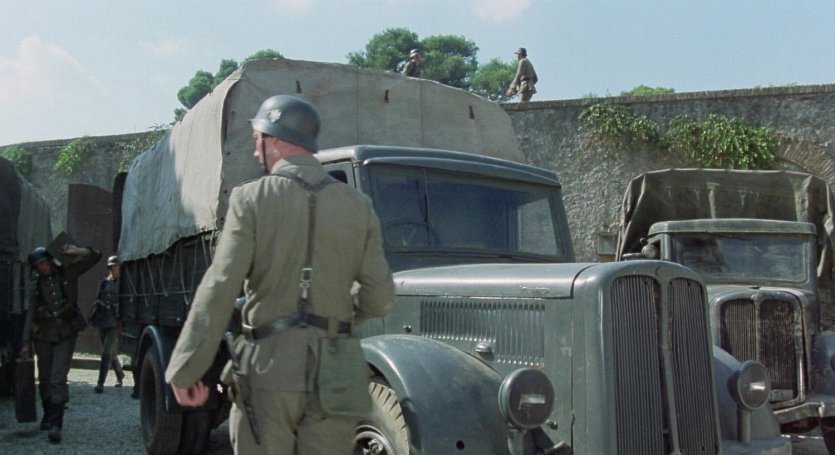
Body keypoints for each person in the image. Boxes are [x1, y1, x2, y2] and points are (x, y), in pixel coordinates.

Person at [165, 94, 394, 454]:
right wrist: (335, 316)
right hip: (338, 370)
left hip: (269, 367)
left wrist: (186, 368)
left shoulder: (251, 199)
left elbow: (220, 288)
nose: (255, 151)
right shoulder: (359, 206)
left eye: (257, 140)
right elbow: (379, 299)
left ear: (274, 140)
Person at [21, 244, 101, 443]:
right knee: (45, 378)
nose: (42, 267)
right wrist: (25, 341)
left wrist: (77, 251)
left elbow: (95, 257)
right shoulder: (36, 285)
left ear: (50, 261)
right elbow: (30, 313)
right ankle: (48, 414)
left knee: (58, 377)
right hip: (43, 335)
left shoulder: (67, 273)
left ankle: (57, 423)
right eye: (38, 265)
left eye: (44, 263)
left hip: (66, 332)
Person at [89, 255, 125, 394]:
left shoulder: (122, 284)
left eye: (118, 267)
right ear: (110, 268)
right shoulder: (104, 283)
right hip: (103, 320)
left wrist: (116, 309)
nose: (117, 269)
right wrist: (102, 304)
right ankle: (120, 374)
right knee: (110, 352)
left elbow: (125, 302)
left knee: (105, 352)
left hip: (114, 322)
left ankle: (100, 383)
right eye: (114, 267)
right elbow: (97, 299)